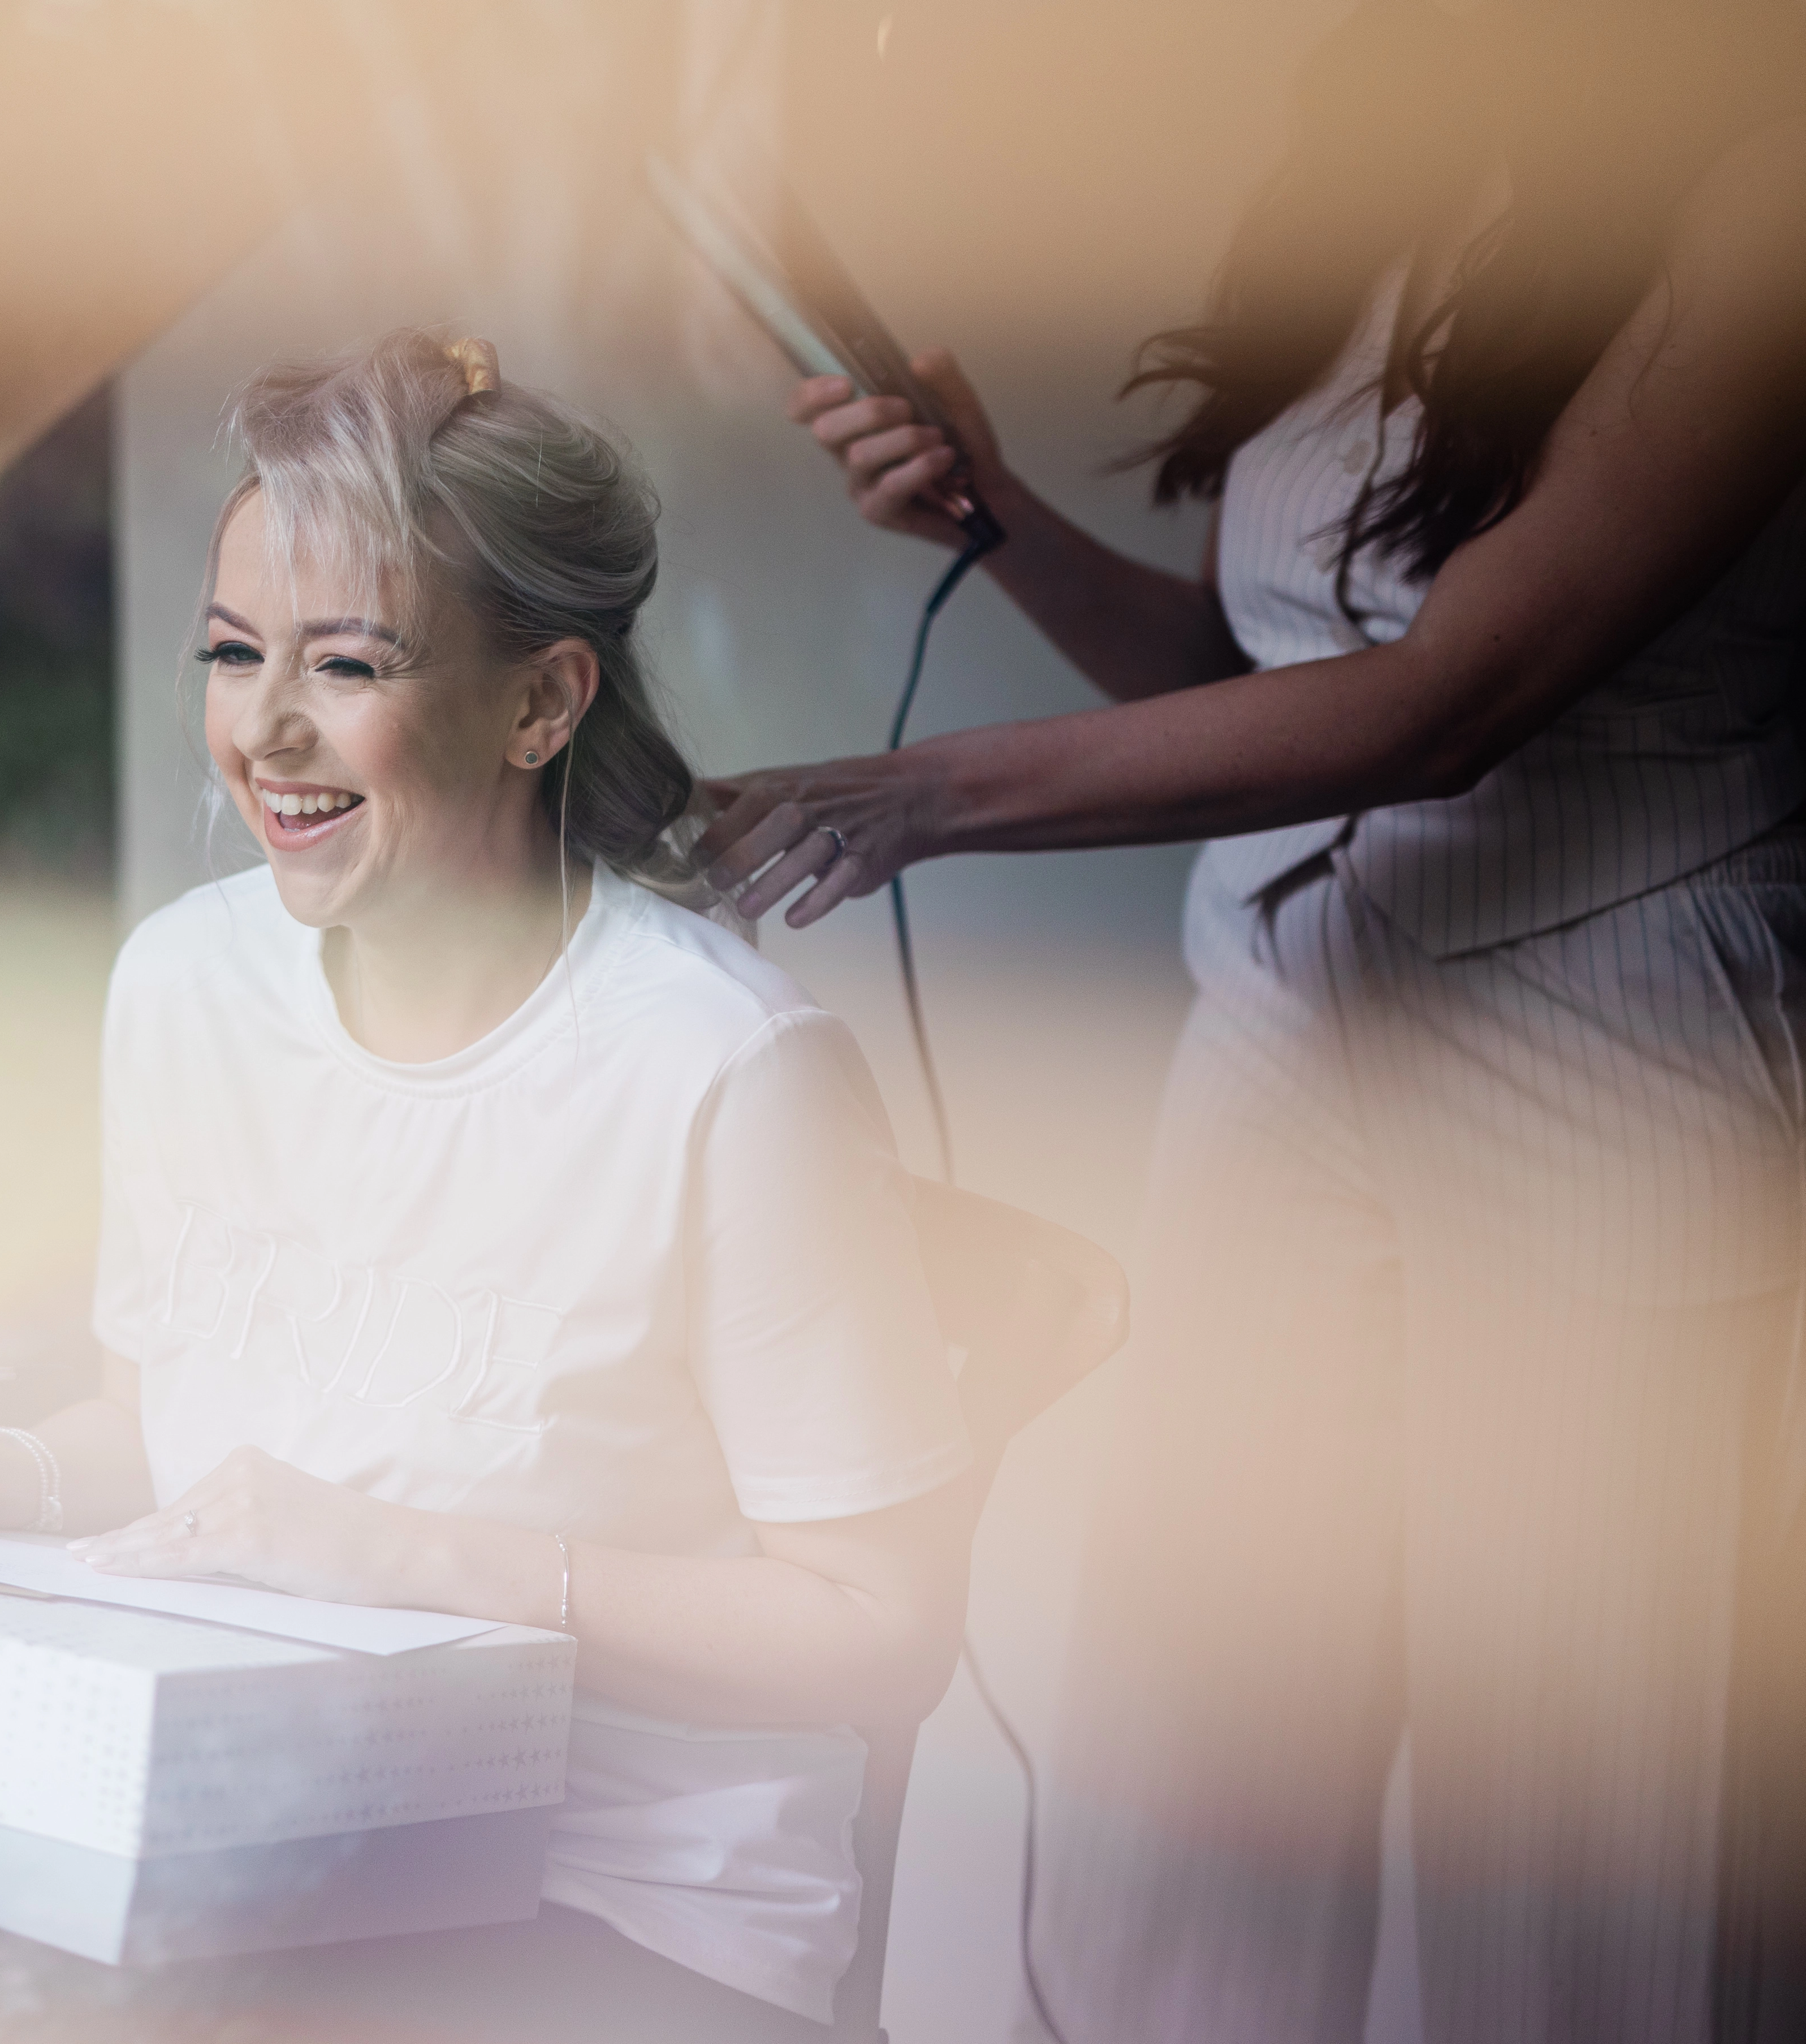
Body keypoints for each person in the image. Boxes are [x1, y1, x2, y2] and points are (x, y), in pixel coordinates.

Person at [696, 3, 1806, 2039]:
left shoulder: (1763, 189)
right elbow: (1238, 654)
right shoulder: (1392, 187)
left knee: (1588, 1891)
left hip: (1616, 1077)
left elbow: (1446, 700)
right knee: (1174, 1814)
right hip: (1280, 1056)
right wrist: (988, 511)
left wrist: (910, 793)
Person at [0, 330, 974, 2040]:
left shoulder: (725, 1070)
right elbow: (181, 1443)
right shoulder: (181, 989)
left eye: (344, 664)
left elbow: (883, 1633)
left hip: (618, 1916)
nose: (262, 730)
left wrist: (410, 1555)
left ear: (540, 701)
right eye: (230, 650)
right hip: (269, 1855)